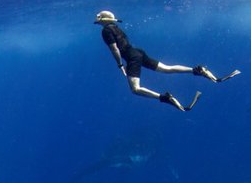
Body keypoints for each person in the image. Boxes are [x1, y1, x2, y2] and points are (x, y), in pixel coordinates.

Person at [94, 10, 238, 112]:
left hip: (131, 57)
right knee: (167, 69)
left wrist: (120, 65)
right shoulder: (116, 27)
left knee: (135, 89)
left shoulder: (105, 31)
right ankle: (196, 70)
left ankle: (165, 98)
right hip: (138, 52)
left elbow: (115, 49)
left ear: (102, 21)